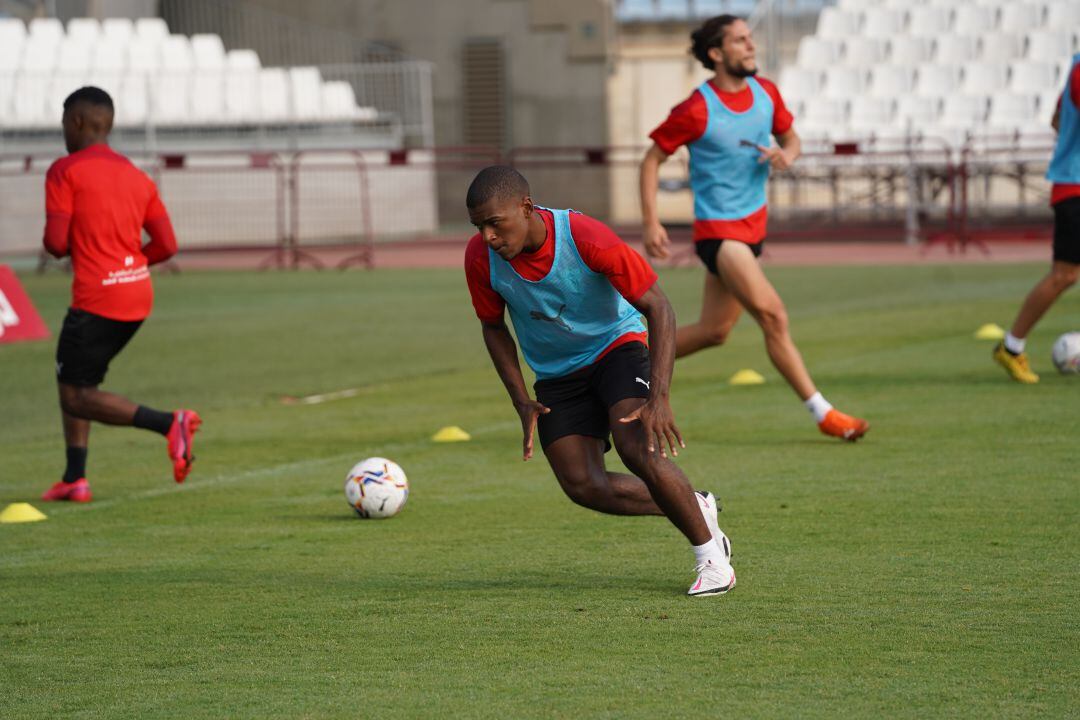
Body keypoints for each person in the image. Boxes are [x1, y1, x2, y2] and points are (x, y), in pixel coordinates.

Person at [464, 165, 735, 597]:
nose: (488, 238)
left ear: (527, 208)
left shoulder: (584, 236)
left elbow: (659, 308)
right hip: (556, 373)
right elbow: (492, 326)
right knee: (583, 485)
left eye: (495, 224)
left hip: (616, 348)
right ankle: (697, 506)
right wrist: (520, 398)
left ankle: (711, 558)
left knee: (635, 448)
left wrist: (659, 397)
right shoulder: (481, 258)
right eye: (479, 227)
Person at [639, 15, 869, 441]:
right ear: (716, 53)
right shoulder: (696, 108)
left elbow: (792, 139)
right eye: (741, 40)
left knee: (714, 331)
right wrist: (651, 222)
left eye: (751, 39)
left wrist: (789, 155)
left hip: (752, 232)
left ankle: (623, 357)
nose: (752, 46)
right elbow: (652, 159)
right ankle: (824, 413)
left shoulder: (766, 93)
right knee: (773, 315)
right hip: (720, 234)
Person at [39, 86, 201, 503]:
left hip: (96, 299)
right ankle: (75, 478)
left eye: (63, 122)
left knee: (76, 394)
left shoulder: (64, 171)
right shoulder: (136, 175)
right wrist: (127, 265)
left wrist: (97, 259)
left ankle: (170, 424)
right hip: (136, 297)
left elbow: (56, 244)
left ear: (76, 121)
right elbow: (165, 245)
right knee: (74, 380)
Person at [993, 54, 1080, 383]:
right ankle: (1011, 347)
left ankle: (1012, 346)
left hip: (1072, 179)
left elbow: (1056, 119)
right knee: (1064, 275)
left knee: (1066, 275)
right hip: (1074, 186)